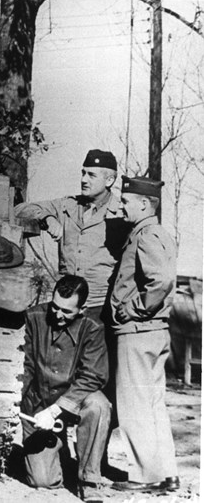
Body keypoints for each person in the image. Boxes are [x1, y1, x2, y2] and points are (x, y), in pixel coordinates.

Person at [108, 176, 179, 493]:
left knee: (135, 406)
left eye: (125, 201)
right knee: (153, 405)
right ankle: (167, 473)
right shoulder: (160, 233)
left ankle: (143, 477)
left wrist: (134, 308)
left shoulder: (145, 235)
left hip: (137, 332)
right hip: (156, 332)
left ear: (143, 204)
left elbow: (160, 281)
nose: (120, 205)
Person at [21, 275, 110, 503]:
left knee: (99, 405)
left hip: (74, 401)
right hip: (39, 403)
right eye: (55, 307)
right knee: (43, 481)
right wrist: (22, 406)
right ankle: (60, 453)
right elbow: (25, 366)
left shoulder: (92, 328)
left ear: (82, 309)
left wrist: (56, 410)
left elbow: (94, 376)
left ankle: (89, 479)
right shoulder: (32, 318)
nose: (58, 315)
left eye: (67, 312)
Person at [15, 149, 127, 320]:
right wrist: (48, 217)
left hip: (100, 306)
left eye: (91, 175)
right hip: (64, 305)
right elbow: (20, 209)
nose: (83, 180)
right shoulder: (68, 206)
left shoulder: (121, 213)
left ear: (109, 180)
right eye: (83, 173)